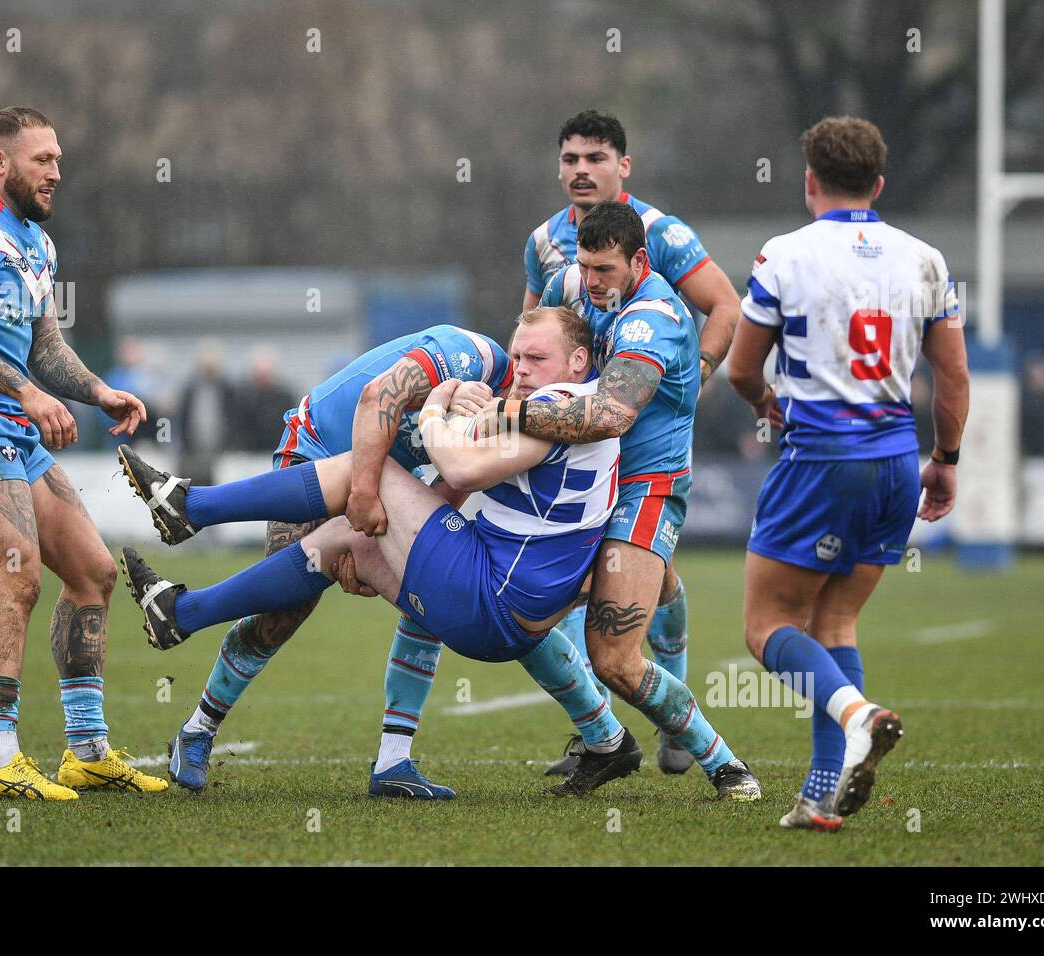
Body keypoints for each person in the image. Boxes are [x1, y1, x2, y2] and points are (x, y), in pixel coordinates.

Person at [119, 307, 641, 798]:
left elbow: (449, 493)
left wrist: (392, 547)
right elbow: (376, 400)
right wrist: (367, 497)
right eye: (520, 356)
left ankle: (394, 760)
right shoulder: (465, 358)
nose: (525, 369)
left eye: (537, 359)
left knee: (439, 593)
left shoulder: (518, 412)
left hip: (390, 477)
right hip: (321, 449)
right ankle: (198, 726)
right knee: (280, 616)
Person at [0, 106, 164, 799]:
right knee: (16, 579)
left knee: (92, 573)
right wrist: (24, 392)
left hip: (9, 426)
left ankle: (84, 751)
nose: (57, 172)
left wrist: (97, 390)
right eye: (42, 159)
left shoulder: (38, 245)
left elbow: (45, 344)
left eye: (58, 158)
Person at [726, 116, 970, 830]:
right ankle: (820, 794)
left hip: (822, 458)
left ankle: (859, 715)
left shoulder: (784, 256)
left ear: (809, 182)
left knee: (766, 626)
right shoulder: (925, 259)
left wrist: (764, 404)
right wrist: (945, 462)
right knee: (836, 621)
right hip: (896, 460)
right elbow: (952, 376)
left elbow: (742, 367)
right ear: (880, 184)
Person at [482, 201, 763, 800]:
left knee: (613, 657)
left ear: (638, 261)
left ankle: (728, 767)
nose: (592, 282)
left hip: (646, 487)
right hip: (584, 480)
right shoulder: (570, 283)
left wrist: (503, 414)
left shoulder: (654, 316)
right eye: (585, 267)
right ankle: (605, 740)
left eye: (605, 270)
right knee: (516, 613)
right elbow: (530, 345)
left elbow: (610, 413)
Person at [520, 109, 745, 773]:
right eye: (570, 159)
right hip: (583, 453)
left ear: (625, 165)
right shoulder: (548, 249)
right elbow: (537, 340)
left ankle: (702, 754)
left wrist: (690, 375)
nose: (581, 170)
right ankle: (604, 739)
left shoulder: (662, 244)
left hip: (639, 452)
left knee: (606, 639)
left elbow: (725, 307)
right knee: (542, 608)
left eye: (596, 157)